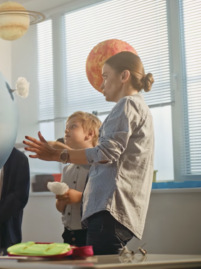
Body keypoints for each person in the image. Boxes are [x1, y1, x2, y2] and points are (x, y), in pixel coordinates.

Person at [24, 51, 155, 255]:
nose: (100, 85)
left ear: (124, 76)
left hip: (109, 211)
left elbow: (105, 153)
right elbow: (108, 159)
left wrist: (59, 155)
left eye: (105, 76)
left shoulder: (127, 104)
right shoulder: (138, 106)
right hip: (113, 212)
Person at [54, 112, 101, 247]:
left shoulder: (99, 166)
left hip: (90, 233)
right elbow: (60, 208)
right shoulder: (66, 169)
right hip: (69, 233)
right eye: (66, 127)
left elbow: (106, 198)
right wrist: (61, 199)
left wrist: (80, 197)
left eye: (73, 126)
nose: (66, 130)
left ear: (90, 134)